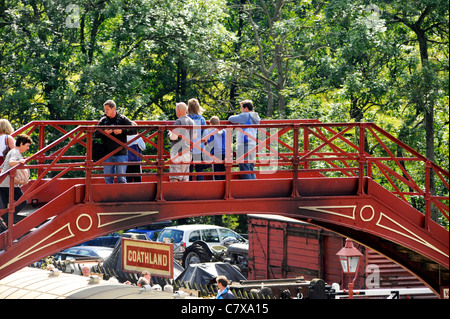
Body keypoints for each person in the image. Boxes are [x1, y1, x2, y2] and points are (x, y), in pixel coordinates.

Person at [96, 100, 135, 184]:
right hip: (107, 153)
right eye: (105, 109)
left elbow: (134, 129)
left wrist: (122, 131)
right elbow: (95, 133)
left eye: (107, 109)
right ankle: (110, 196)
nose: (105, 111)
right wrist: (104, 132)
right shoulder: (103, 120)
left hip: (121, 153)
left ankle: (122, 196)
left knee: (121, 179)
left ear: (113, 108)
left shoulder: (122, 119)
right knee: (108, 179)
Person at [0, 134, 33, 231]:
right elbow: (11, 162)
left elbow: (3, 167)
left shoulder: (12, 151)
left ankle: (5, 225)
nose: (28, 148)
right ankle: (5, 219)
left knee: (7, 205)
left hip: (3, 183)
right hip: (8, 184)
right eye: (27, 145)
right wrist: (20, 162)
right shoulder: (15, 152)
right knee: (23, 201)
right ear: (21, 144)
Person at [228, 100, 261, 179]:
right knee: (250, 167)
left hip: (244, 144)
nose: (240, 110)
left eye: (241, 108)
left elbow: (231, 118)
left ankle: (249, 188)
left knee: (244, 166)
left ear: (246, 108)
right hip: (252, 143)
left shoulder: (246, 115)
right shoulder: (255, 116)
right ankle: (254, 186)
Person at [168, 102, 196, 182]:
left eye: (176, 109)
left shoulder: (178, 121)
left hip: (178, 153)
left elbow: (174, 137)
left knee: (174, 177)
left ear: (179, 110)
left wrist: (169, 134)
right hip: (188, 153)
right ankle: (183, 194)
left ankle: (174, 194)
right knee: (184, 178)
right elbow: (194, 136)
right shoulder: (192, 121)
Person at [187, 99, 207, 180]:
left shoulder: (186, 118)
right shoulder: (201, 119)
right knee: (199, 168)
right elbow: (205, 133)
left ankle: (189, 184)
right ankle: (200, 183)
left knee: (189, 168)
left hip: (188, 147)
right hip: (199, 146)